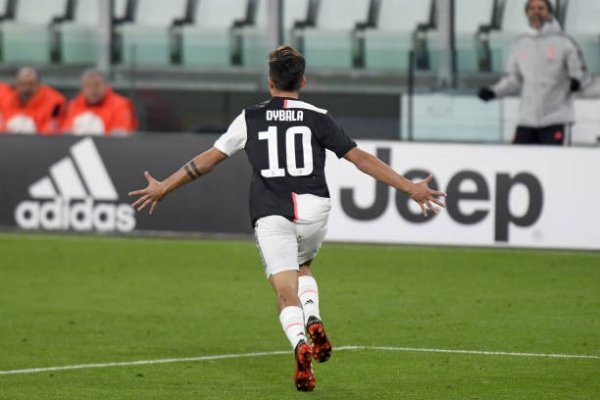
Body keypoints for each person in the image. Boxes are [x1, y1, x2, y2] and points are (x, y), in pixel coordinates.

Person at [129, 46, 446, 392]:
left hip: (270, 212)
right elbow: (360, 159)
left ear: (269, 82)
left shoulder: (249, 117)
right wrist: (409, 188)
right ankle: (313, 318)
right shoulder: (318, 116)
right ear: (303, 81)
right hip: (313, 209)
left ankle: (300, 346)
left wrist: (164, 187)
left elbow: (208, 160)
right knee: (304, 263)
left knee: (284, 290)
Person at [477, 0, 591, 145]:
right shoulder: (520, 43)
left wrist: (576, 82)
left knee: (554, 163)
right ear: (527, 13)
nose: (536, 12)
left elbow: (581, 74)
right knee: (518, 161)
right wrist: (493, 92)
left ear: (549, 13)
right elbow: (514, 79)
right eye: (532, 8)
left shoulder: (564, 42)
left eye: (541, 8)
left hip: (556, 118)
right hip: (527, 120)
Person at [62, 69, 137, 136]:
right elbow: (67, 133)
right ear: (82, 89)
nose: (93, 90)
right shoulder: (74, 104)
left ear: (106, 86)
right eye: (88, 85)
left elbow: (120, 135)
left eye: (97, 85)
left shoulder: (121, 104)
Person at [0, 67, 66, 135]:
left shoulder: (54, 102)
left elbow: (53, 126)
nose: (26, 88)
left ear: (39, 84)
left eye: (31, 84)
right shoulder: (6, 97)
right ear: (16, 84)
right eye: (22, 84)